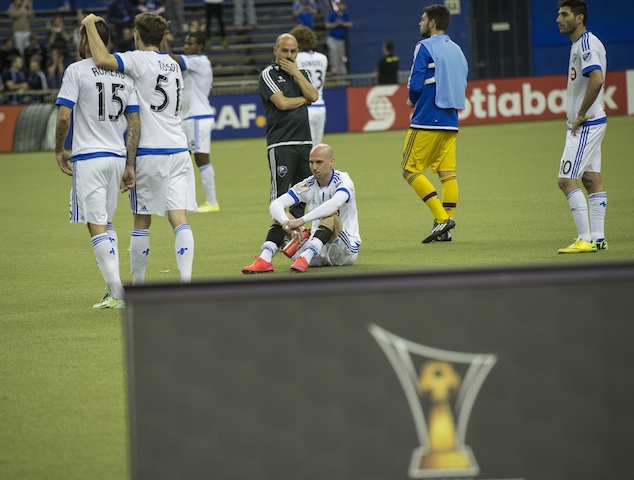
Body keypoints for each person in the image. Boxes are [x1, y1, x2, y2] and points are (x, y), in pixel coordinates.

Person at [82, 12, 197, 284]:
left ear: (137, 35)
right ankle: (187, 281)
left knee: (141, 219)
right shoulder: (173, 64)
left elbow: (101, 59)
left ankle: (139, 282)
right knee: (178, 218)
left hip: (150, 152)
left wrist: (89, 25)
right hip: (179, 150)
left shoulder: (137, 59)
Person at [54, 20, 140, 309]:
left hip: (89, 158)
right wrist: (130, 164)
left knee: (95, 225)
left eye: (81, 36)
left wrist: (58, 149)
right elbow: (134, 122)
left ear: (86, 39)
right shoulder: (124, 74)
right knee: (106, 222)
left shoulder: (75, 71)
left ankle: (118, 293)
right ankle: (112, 289)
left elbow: (64, 117)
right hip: (116, 157)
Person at [401, 4, 467, 244]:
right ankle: (446, 228)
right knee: (447, 174)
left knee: (410, 170)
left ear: (431, 23)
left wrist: (412, 99)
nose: (420, 23)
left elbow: (416, 83)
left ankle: (441, 219)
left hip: (428, 117)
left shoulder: (425, 46)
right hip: (451, 119)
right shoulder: (457, 49)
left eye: (422, 19)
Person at [242, 143, 360, 274]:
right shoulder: (308, 184)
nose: (314, 167)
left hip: (344, 251)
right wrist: (288, 224)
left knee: (330, 217)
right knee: (282, 216)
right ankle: (265, 259)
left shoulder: (343, 181)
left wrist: (302, 220)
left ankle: (305, 257)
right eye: (311, 162)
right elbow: (276, 204)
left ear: (331, 162)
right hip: (317, 247)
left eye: (319, 162)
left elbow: (334, 204)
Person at [555, 0, 608, 254]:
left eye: (564, 14)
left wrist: (580, 115)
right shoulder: (582, 43)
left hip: (586, 124)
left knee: (566, 180)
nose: (558, 19)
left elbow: (597, 80)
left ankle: (584, 238)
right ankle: (598, 238)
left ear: (579, 19)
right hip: (594, 121)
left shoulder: (585, 43)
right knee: (590, 178)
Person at [258, 33, 318, 220]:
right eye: (284, 51)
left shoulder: (303, 75)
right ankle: (278, 236)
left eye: (293, 51)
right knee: (280, 194)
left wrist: (297, 74)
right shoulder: (268, 74)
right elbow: (282, 104)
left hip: (305, 141)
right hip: (281, 143)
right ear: (276, 51)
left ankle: (296, 235)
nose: (289, 55)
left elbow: (314, 96)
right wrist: (303, 99)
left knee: (303, 193)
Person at [161, 31, 219, 213]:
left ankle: (212, 202)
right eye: (186, 43)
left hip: (197, 117)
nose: (187, 47)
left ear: (200, 46)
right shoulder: (193, 63)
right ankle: (187, 202)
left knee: (201, 159)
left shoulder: (200, 61)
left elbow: (170, 58)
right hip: (189, 117)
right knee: (184, 159)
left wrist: (161, 37)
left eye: (191, 43)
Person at [290, 24, 327, 145]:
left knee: (304, 150)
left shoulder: (297, 58)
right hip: (320, 106)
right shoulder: (323, 58)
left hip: (305, 107)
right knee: (316, 150)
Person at [325, 1, 352, 74]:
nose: (340, 7)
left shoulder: (346, 15)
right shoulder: (332, 15)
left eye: (342, 5)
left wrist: (342, 23)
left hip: (341, 39)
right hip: (332, 37)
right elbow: (327, 25)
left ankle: (341, 69)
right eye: (339, 5)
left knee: (341, 54)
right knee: (334, 51)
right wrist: (335, 24)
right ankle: (334, 69)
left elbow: (350, 24)